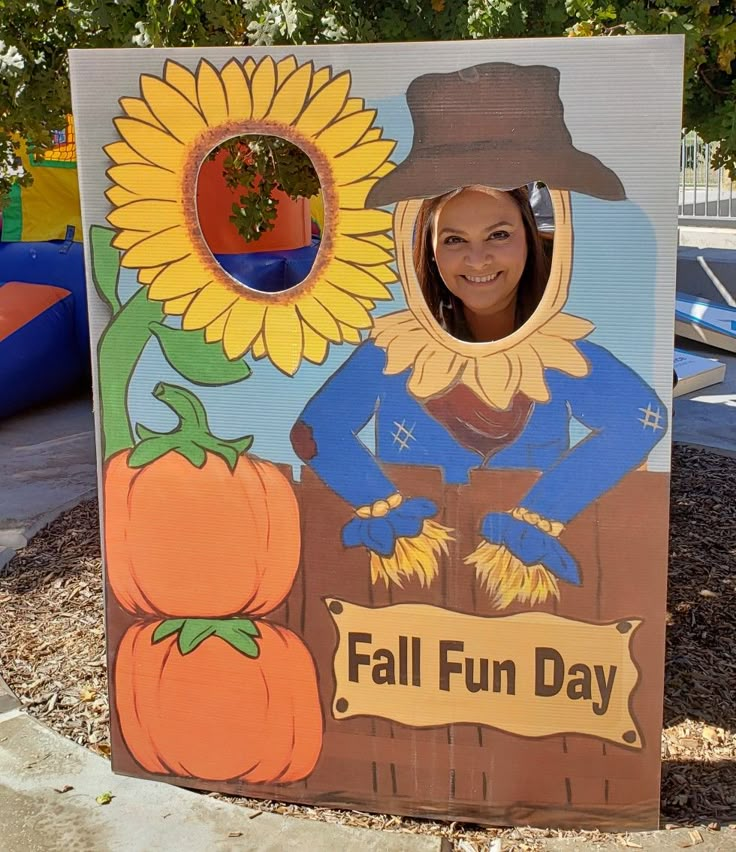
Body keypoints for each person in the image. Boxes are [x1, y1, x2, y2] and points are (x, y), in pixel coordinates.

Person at [290, 62, 669, 608]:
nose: (478, 258)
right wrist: (381, 506)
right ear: (424, 250)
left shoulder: (561, 356)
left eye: (498, 234)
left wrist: (543, 512)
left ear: (533, 243)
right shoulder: (394, 354)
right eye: (453, 240)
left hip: (531, 609)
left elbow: (641, 419)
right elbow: (314, 432)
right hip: (407, 602)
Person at [413, 184, 549, 343]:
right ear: (431, 250)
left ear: (529, 237)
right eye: (454, 240)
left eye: (498, 235)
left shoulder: (579, 308)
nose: (477, 262)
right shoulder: (405, 341)